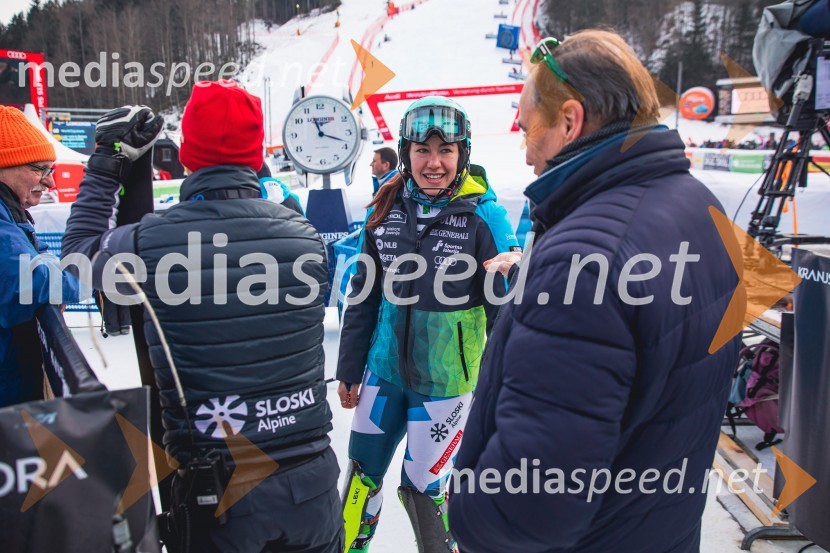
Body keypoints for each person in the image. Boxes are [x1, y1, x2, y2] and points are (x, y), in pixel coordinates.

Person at [450, 31, 740, 553]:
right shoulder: (699, 205)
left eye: (526, 125)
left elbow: (531, 503)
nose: (522, 143)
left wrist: (467, 514)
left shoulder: (581, 265)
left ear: (570, 121)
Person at [62, 81, 342, 553]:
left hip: (220, 491)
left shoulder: (149, 243)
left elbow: (75, 264)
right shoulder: (305, 234)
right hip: (312, 482)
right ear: (256, 157)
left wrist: (108, 162)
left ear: (187, 156)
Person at [336, 96, 520, 552]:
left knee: (423, 491)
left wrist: (502, 392)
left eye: (445, 150)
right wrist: (348, 368)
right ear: (405, 152)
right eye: (421, 150)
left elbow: (507, 315)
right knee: (360, 478)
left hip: (446, 385)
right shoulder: (385, 207)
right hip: (382, 375)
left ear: (463, 155)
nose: (433, 163)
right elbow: (362, 295)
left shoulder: (484, 215)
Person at [0, 106, 79, 407]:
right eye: (39, 168)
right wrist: (84, 278)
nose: (49, 182)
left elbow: (40, 260)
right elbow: (30, 283)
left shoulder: (11, 213)